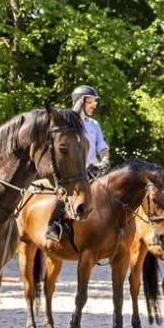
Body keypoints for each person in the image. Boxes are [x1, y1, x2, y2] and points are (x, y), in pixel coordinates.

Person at [44, 85, 109, 242]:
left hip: (91, 170)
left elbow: (102, 146)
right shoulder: (65, 122)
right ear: (80, 102)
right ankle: (53, 225)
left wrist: (105, 159)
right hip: (71, 171)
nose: (94, 105)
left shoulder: (94, 125)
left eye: (95, 102)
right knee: (64, 193)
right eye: (90, 102)